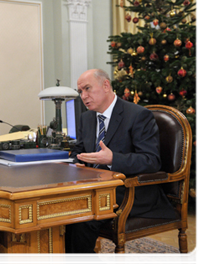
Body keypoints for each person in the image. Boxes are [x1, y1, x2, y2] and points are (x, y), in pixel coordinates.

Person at [66, 69, 176, 264]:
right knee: (61, 212)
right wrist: (74, 162)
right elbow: (78, 152)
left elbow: (151, 161)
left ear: (106, 85)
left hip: (130, 190)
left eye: (87, 89)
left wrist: (112, 159)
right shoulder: (87, 118)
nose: (83, 96)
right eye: (80, 91)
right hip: (96, 187)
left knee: (79, 217)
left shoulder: (138, 115)